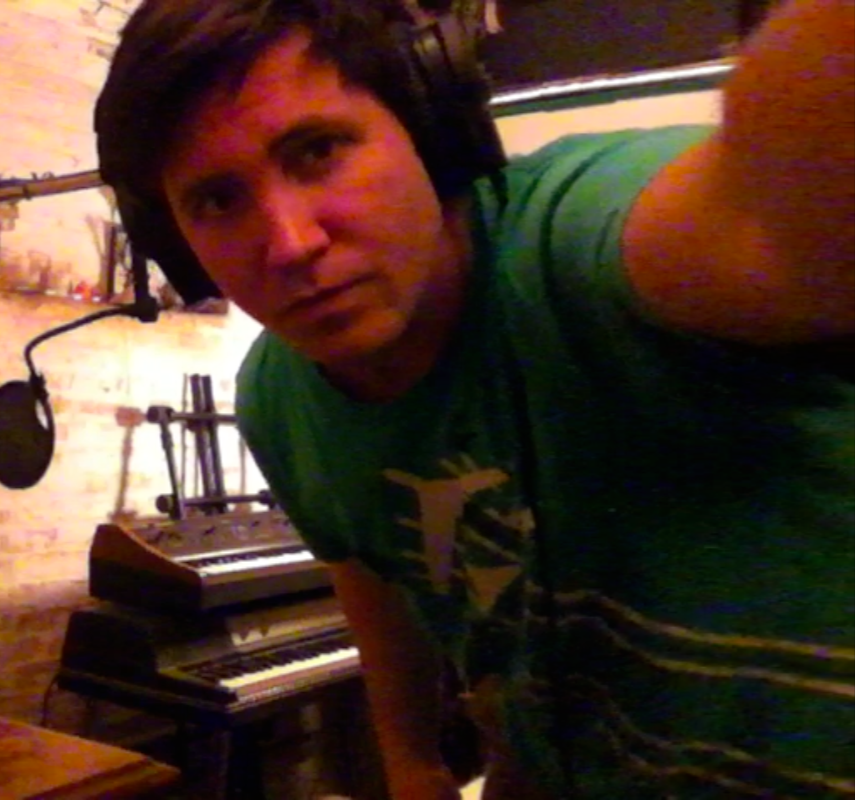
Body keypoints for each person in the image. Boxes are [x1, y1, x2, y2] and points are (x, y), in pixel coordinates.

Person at [94, 0, 854, 797]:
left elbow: (775, 214)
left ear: (429, 125)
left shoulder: (583, 236)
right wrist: (412, 761)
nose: (290, 243)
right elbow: (370, 572)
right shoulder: (278, 395)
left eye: (317, 151)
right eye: (217, 200)